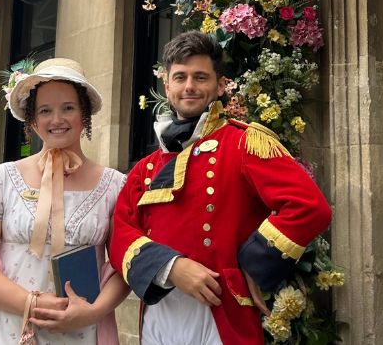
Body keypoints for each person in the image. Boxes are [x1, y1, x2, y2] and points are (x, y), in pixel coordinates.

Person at [109, 31, 332, 344]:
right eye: (181, 77)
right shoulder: (145, 168)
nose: (189, 86)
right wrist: (172, 267)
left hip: (224, 313)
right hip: (159, 316)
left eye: (201, 77)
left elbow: (309, 207)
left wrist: (254, 267)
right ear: (167, 85)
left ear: (220, 85)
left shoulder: (244, 143)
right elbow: (120, 234)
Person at [0, 58, 130, 344]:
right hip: (6, 328)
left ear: (84, 113)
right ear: (33, 120)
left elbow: (125, 264)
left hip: (81, 332)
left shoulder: (115, 186)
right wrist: (31, 303)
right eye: (45, 110)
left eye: (68, 108)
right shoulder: (2, 180)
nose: (56, 120)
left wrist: (93, 312)